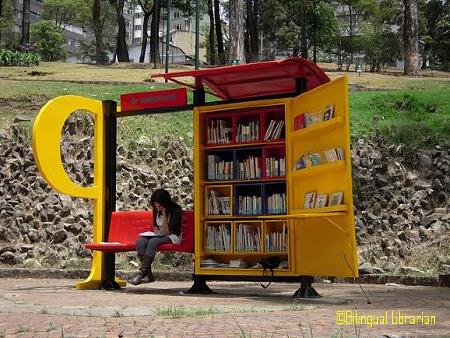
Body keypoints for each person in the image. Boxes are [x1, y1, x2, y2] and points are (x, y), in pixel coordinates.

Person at [129, 188, 182, 285]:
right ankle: (148, 274)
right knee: (140, 241)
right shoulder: (155, 209)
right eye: (156, 206)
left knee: (153, 242)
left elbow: (167, 231)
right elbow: (155, 226)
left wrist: (165, 213)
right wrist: (156, 231)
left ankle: (142, 273)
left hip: (173, 236)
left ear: (165, 204)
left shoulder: (175, 210)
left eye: (160, 206)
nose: (158, 208)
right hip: (160, 235)